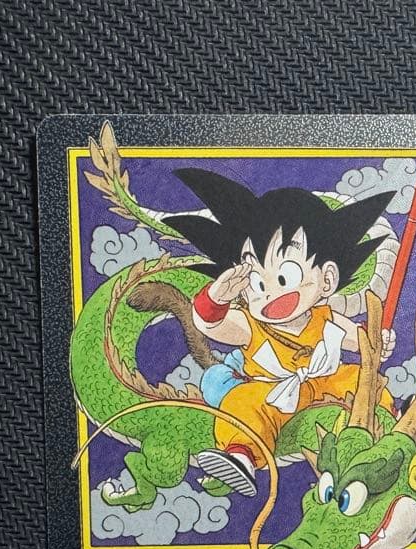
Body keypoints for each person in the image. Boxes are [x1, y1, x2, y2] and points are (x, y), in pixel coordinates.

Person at [165, 169, 395, 497]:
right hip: (271, 392)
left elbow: (362, 342)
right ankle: (241, 456)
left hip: (325, 384)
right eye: (258, 283)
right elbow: (210, 324)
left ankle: (390, 423)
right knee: (242, 401)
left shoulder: (326, 318)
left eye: (284, 277)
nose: (270, 293)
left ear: (327, 280)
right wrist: (216, 297)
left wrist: (378, 344)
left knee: (361, 380)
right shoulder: (250, 324)